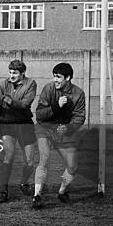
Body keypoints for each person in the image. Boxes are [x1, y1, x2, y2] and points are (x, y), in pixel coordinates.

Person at [32, 63, 86, 209]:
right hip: (45, 128)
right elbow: (39, 115)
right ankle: (36, 196)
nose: (55, 79)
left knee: (72, 166)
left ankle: (62, 192)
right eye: (54, 76)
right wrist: (56, 106)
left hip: (64, 131)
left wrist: (68, 128)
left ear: (68, 78)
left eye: (58, 77)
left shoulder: (78, 93)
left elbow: (79, 117)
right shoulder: (48, 88)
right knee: (44, 158)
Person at [0, 59, 37, 203]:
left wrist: (9, 101)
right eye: (10, 72)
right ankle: (3, 191)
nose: (11, 75)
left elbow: (25, 104)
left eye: (15, 73)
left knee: (30, 161)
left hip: (24, 123)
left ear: (23, 73)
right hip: (6, 123)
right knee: (9, 155)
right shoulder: (2, 85)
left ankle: (23, 182)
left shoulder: (30, 84)